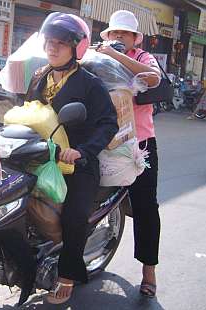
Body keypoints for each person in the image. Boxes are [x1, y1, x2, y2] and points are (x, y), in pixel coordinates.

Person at [26, 12, 119, 304]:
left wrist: (82, 150)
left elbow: (108, 123)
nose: (52, 48)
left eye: (61, 43)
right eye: (49, 42)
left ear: (76, 48)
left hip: (77, 163)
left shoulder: (90, 84)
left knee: (74, 216)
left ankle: (67, 274)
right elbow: (28, 110)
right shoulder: (40, 76)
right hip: (40, 157)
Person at [97, 10, 161, 297]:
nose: (118, 37)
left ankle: (149, 272)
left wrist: (115, 55)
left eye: (124, 33)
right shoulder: (97, 57)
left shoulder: (143, 59)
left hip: (140, 143)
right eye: (114, 33)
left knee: (146, 207)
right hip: (102, 140)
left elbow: (153, 79)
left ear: (136, 38)